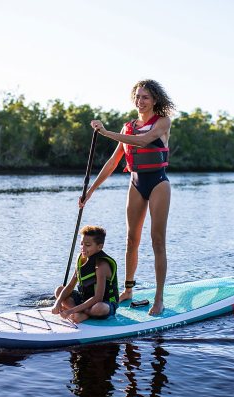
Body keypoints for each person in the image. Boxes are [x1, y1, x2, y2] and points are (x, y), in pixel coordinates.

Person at [83, 79, 175, 316]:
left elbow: (144, 141)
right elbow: (113, 162)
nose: (140, 101)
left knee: (157, 241)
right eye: (137, 97)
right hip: (136, 182)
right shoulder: (127, 127)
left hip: (158, 183)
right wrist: (90, 191)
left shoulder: (163, 122)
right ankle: (128, 290)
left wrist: (105, 132)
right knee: (131, 240)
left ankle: (159, 299)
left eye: (145, 97)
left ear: (155, 100)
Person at [51, 225, 119, 323]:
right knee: (59, 290)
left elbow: (98, 298)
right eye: (81, 244)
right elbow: (70, 286)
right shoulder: (81, 258)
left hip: (102, 303)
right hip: (85, 300)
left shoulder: (101, 265)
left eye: (87, 245)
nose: (83, 248)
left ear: (99, 247)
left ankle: (83, 314)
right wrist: (57, 303)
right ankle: (82, 313)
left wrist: (71, 310)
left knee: (100, 308)